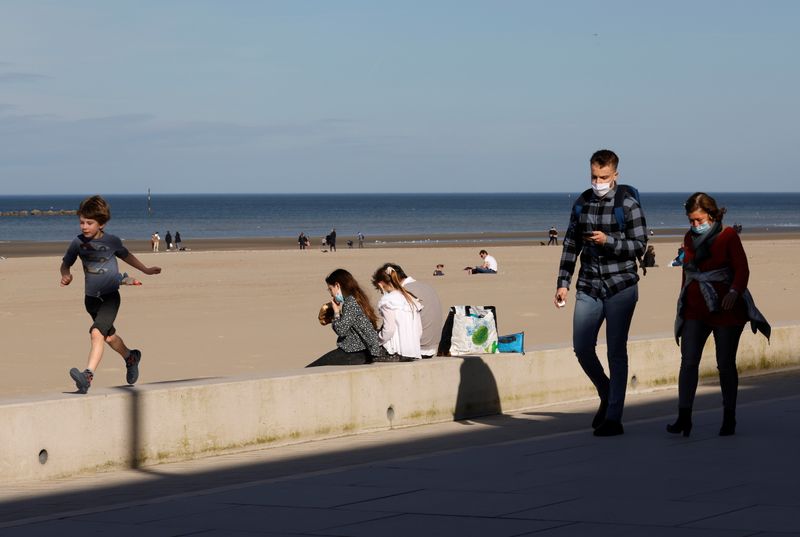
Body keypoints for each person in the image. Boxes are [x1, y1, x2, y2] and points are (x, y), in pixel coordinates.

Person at [554, 149, 648, 437]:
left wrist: (609, 241)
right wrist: (563, 282)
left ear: (615, 175)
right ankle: (606, 394)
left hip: (621, 286)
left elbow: (639, 246)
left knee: (616, 351)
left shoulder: (628, 204)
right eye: (594, 176)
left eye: (604, 177)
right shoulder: (582, 203)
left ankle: (614, 417)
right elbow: (571, 244)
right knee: (582, 347)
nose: (598, 181)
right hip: (589, 285)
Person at [667, 193, 770, 437]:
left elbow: (742, 269)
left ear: (712, 216)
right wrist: (681, 304)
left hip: (726, 310)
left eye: (699, 219)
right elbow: (687, 274)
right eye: (691, 220)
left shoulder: (728, 236)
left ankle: (729, 417)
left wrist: (735, 291)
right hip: (695, 309)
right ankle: (684, 416)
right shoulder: (688, 238)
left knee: (725, 364)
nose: (694, 225)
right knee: (688, 361)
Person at [60, 195, 162, 394]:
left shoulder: (112, 241)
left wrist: (146, 270)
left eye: (89, 223)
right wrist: (66, 275)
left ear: (102, 223)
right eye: (81, 222)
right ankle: (131, 357)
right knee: (108, 337)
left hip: (110, 297)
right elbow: (66, 263)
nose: (84, 226)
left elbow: (128, 257)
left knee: (96, 333)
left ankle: (87, 376)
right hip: (90, 300)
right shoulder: (77, 243)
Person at [306, 269, 384, 367]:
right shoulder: (358, 299)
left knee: (311, 368)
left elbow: (341, 330)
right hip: (362, 351)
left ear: (337, 285)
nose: (331, 293)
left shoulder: (350, 302)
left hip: (354, 352)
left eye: (330, 289)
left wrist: (336, 312)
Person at [380, 263, 443, 358]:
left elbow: (390, 328)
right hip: (432, 346)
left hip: (417, 348)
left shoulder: (403, 293)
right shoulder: (426, 286)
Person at [372, 265, 423, 360]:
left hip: (395, 352)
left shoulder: (387, 301)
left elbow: (389, 330)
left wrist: (376, 341)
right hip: (412, 351)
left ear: (380, 284)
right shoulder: (410, 298)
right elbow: (419, 331)